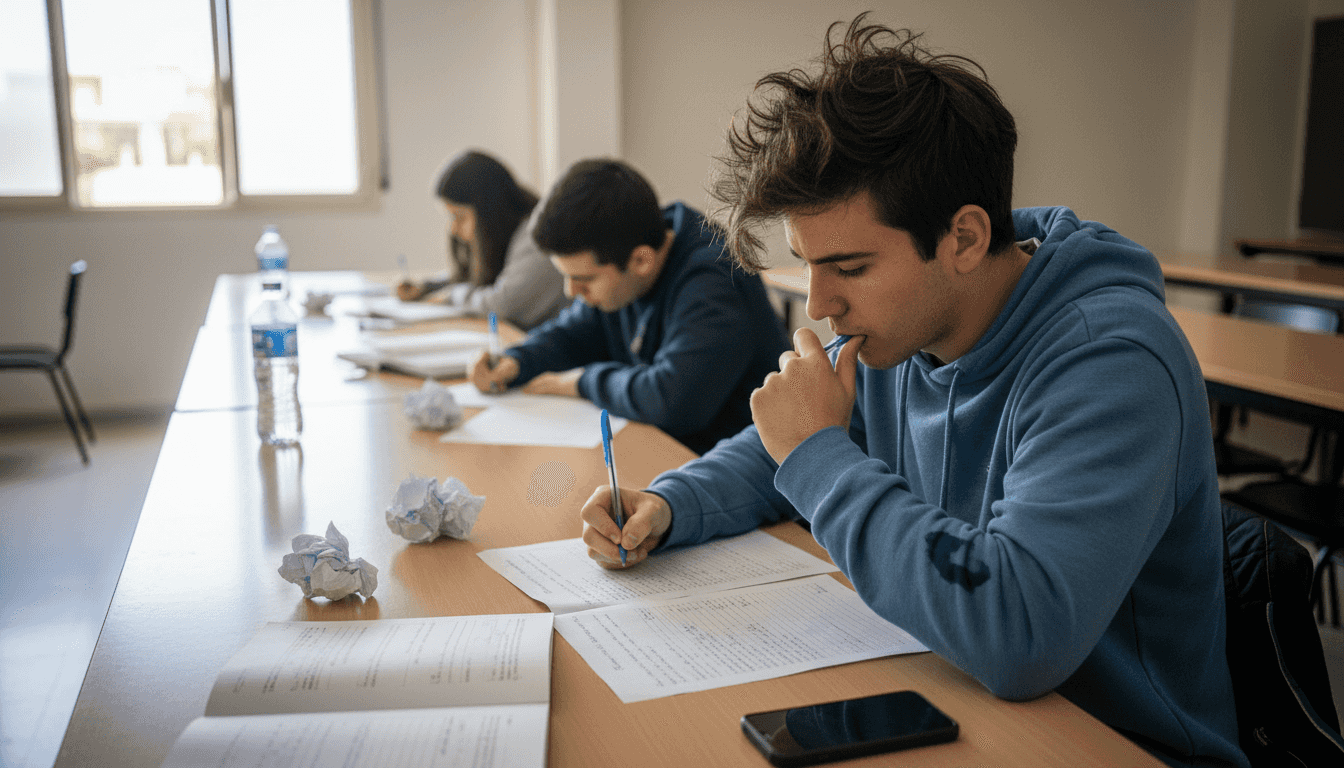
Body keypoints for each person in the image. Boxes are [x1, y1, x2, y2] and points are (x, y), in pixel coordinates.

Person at [577, 16, 1248, 768]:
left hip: (1113, 740)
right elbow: (792, 441)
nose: (818, 302)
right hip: (952, 689)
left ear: (962, 238)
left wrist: (818, 456)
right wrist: (673, 505)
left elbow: (1019, 631)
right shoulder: (904, 323)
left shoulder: (1111, 362)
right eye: (806, 263)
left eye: (851, 267)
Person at [469, 159, 790, 455]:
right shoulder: (624, 245)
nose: (572, 291)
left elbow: (673, 401)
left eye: (583, 279)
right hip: (668, 452)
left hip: (741, 476)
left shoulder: (716, 281)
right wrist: (517, 361)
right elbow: (576, 331)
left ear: (641, 261)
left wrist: (583, 382)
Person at [397, 150, 568, 330]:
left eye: (459, 217)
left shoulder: (536, 239)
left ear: (490, 212)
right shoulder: (508, 234)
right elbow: (476, 275)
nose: (453, 229)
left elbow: (498, 304)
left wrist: (452, 295)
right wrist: (426, 287)